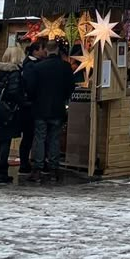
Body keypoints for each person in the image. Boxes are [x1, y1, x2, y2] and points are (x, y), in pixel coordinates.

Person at [25, 40, 75, 183]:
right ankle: (54, 169)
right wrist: (63, 98)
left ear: (46, 50)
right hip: (57, 108)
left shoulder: (38, 67)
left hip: (40, 108)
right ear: (58, 50)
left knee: (40, 138)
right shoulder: (65, 67)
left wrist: (35, 99)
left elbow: (31, 88)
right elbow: (70, 87)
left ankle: (38, 169)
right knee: (54, 138)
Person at [0, 44, 27, 184]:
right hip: (9, 111)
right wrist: (24, 102)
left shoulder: (1, 71)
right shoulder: (15, 73)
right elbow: (14, 92)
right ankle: (2, 172)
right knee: (6, 141)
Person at [19, 38, 47, 175]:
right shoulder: (30, 65)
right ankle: (24, 163)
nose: (45, 51)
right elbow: (30, 86)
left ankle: (28, 161)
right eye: (43, 49)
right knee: (29, 136)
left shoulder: (32, 64)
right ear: (36, 51)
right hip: (29, 107)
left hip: (31, 105)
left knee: (31, 136)